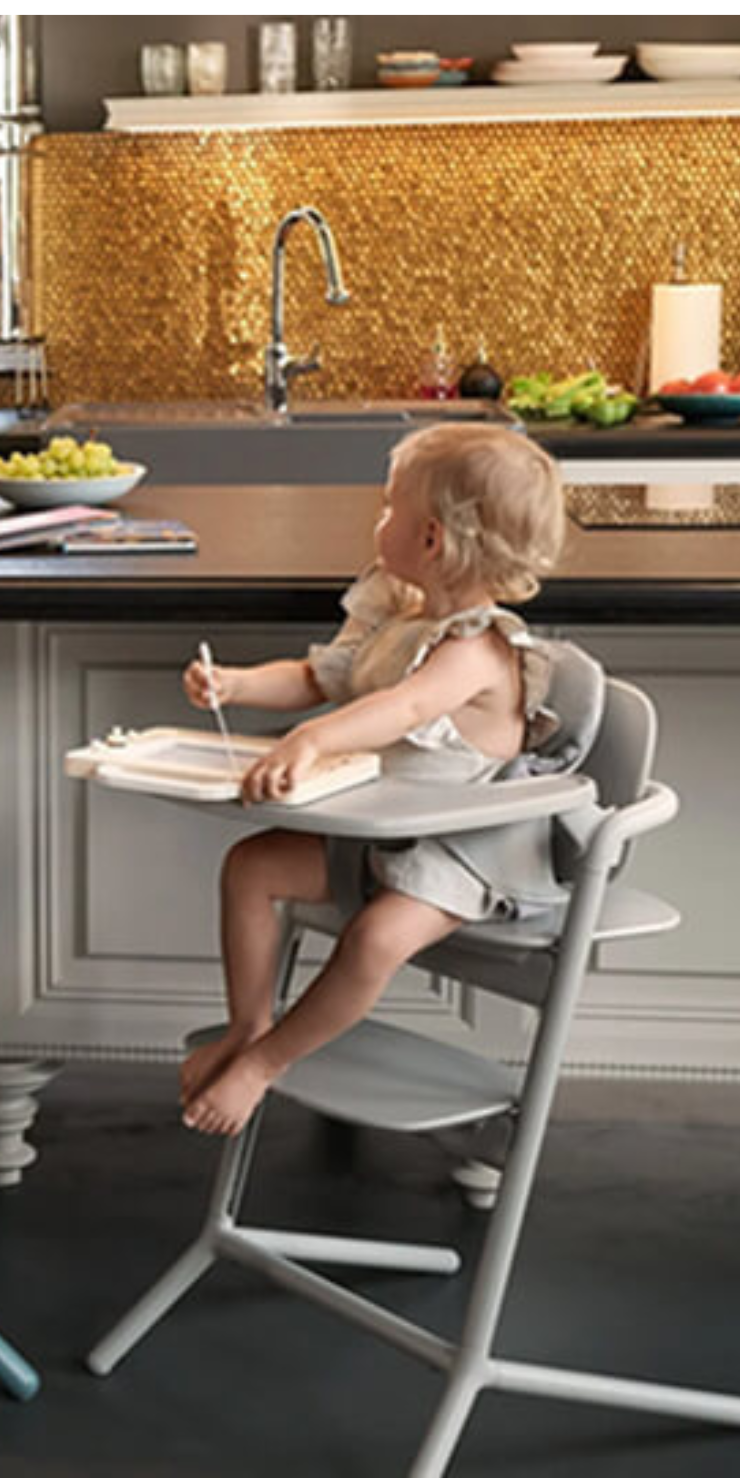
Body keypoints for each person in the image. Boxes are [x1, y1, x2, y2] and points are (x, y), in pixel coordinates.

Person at [176, 424, 571, 1137]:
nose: (378, 519)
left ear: (432, 539)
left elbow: (406, 708)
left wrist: (312, 739)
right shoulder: (398, 614)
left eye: (390, 507)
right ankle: (248, 1026)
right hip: (380, 835)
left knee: (375, 939)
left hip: (460, 852)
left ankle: (266, 1062)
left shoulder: (479, 648)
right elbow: (317, 677)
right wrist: (235, 684)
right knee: (251, 866)